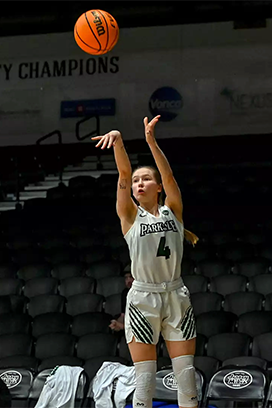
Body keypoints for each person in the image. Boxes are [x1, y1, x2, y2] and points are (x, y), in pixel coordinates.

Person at [92, 116, 200, 408]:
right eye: (137, 181)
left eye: (146, 179)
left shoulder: (172, 210)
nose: (139, 183)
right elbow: (123, 174)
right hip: (143, 298)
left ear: (158, 187)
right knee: (145, 380)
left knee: (187, 379)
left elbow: (170, 177)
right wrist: (118, 141)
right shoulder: (129, 216)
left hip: (176, 295)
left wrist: (151, 142)